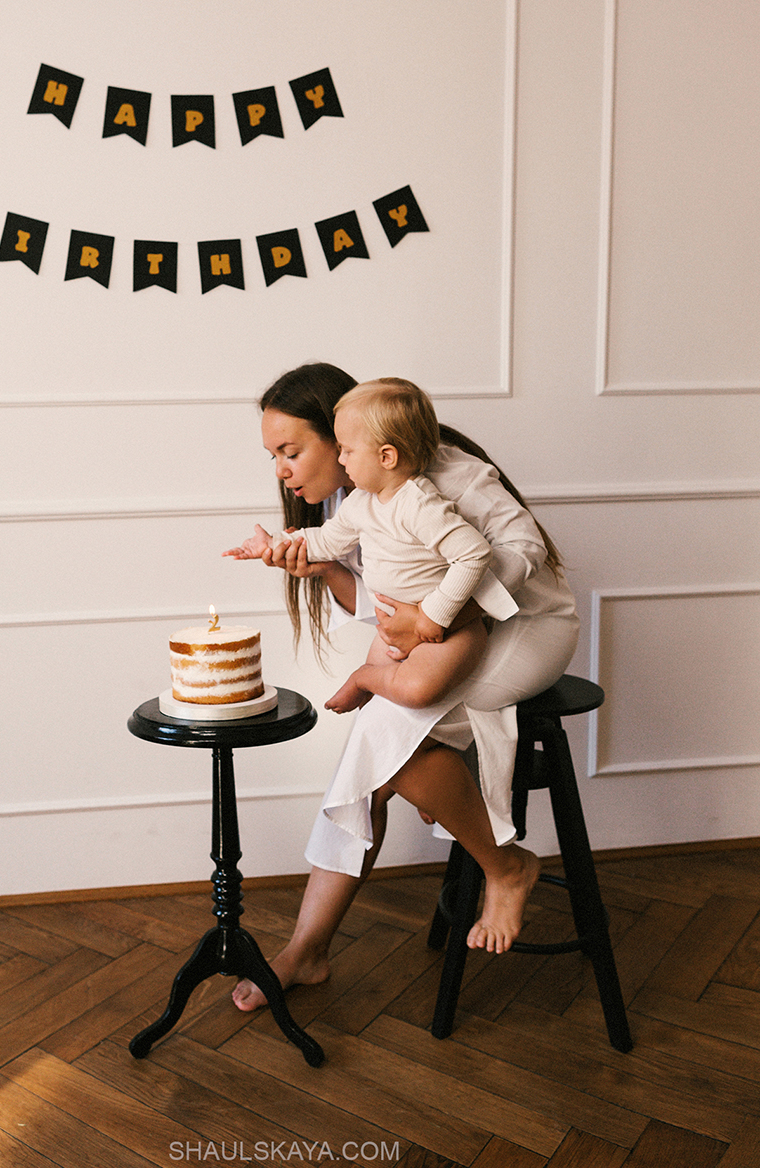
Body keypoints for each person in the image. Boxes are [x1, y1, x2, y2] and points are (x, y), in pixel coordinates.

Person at [229, 362, 579, 1011]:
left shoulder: (445, 474)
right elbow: (380, 606)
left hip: (524, 627)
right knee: (381, 740)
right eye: (273, 456)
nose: (280, 470)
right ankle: (309, 947)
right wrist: (318, 567)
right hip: (443, 638)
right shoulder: (355, 495)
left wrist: (439, 613)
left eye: (290, 451)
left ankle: (505, 867)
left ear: (342, 436)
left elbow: (525, 550)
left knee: (388, 739)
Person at [225, 378, 518, 713]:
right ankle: (365, 679)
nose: (341, 460)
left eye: (346, 450)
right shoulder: (359, 502)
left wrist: (433, 614)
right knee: (382, 710)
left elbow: (477, 554)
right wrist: (275, 542)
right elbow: (326, 540)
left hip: (447, 626)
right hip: (398, 626)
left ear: (385, 456)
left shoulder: (421, 504)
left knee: (416, 694)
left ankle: (363, 678)